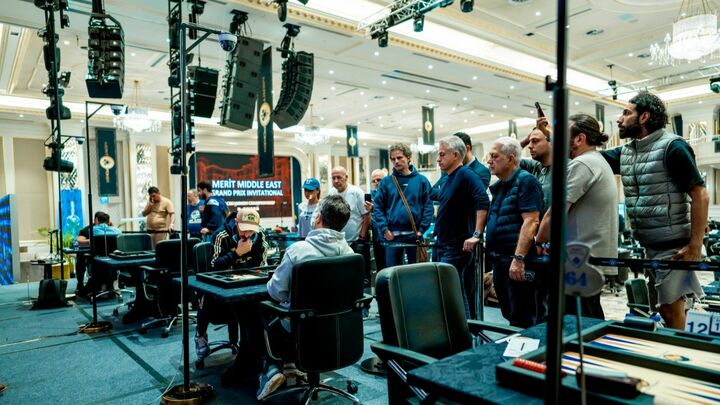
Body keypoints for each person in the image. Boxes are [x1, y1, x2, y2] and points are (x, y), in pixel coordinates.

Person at [602, 91, 708, 330]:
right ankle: (677, 348)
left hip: (673, 247)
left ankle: (679, 352)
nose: (619, 119)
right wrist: (551, 137)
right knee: (666, 309)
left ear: (644, 117)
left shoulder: (673, 146)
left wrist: (695, 246)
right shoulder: (626, 152)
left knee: (671, 311)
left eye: (626, 113)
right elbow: (588, 157)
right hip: (650, 246)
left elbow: (700, 194)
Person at [260, 195, 355, 400]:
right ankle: (291, 365)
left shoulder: (297, 251)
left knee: (263, 310)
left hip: (301, 328)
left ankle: (272, 369)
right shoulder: (351, 254)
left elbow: (276, 291)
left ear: (318, 218)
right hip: (340, 330)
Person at [536, 114, 618, 319]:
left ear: (580, 138)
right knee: (587, 318)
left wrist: (538, 240)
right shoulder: (596, 161)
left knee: (576, 323)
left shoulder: (583, 164)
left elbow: (555, 213)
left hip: (580, 260)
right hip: (587, 258)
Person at [194, 208, 269, 360]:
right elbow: (213, 266)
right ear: (236, 223)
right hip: (221, 283)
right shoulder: (221, 235)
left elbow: (261, 265)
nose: (247, 235)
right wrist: (237, 253)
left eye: (251, 230)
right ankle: (200, 335)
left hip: (246, 281)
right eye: (244, 229)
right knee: (205, 295)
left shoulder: (259, 235)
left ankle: (248, 345)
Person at [485, 137, 543, 328]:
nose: (489, 161)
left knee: (523, 319)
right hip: (501, 261)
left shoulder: (526, 181)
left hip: (517, 262)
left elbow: (531, 221)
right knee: (510, 313)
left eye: (495, 156)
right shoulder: (502, 185)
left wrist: (518, 259)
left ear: (510, 159)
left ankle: (527, 348)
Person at [433, 135, 489, 318]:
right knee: (449, 291)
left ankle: (465, 330)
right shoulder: (447, 178)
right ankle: (460, 329)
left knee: (454, 291)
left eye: (442, 154)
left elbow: (483, 202)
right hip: (443, 244)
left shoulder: (466, 174)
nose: (438, 159)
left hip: (456, 246)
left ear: (456, 155)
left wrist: (476, 234)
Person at [373, 143, 433, 267]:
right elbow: (378, 207)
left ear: (408, 157)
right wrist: (384, 229)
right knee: (392, 272)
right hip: (392, 236)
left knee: (415, 272)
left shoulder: (421, 181)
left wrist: (422, 230)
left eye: (399, 158)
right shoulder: (386, 182)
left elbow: (428, 206)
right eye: (393, 159)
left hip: (414, 235)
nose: (396, 161)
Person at [328, 166, 371, 282]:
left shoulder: (356, 192)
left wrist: (362, 237)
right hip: (338, 242)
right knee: (342, 275)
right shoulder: (331, 193)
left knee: (360, 275)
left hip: (356, 241)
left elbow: (366, 216)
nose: (336, 181)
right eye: (333, 178)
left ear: (346, 178)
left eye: (339, 177)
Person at [75, 211, 122, 296]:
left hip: (97, 262)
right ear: (108, 221)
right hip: (113, 261)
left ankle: (84, 287)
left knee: (81, 256)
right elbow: (80, 240)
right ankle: (107, 285)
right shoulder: (117, 231)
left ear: (96, 220)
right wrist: (91, 241)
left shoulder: (92, 230)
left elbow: (79, 241)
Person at [519, 120, 552, 213]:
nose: (529, 146)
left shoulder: (568, 166)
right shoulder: (533, 165)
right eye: (529, 141)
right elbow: (505, 158)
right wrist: (525, 140)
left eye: (535, 141)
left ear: (550, 141)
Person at [370, 169, 388, 272]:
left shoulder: (392, 194)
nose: (376, 182)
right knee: (380, 267)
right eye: (374, 181)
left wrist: (376, 208)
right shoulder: (371, 195)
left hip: (390, 236)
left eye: (379, 180)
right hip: (376, 236)